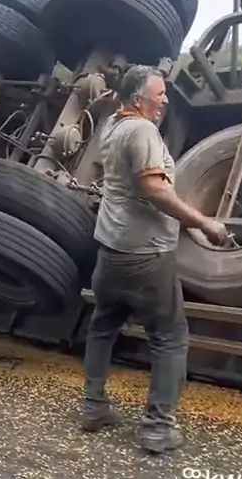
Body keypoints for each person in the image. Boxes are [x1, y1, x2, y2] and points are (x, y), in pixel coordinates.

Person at [81, 65, 228, 454]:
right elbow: (154, 189)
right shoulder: (142, 131)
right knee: (170, 338)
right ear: (137, 98)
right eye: (159, 94)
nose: (164, 100)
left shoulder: (112, 125)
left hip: (110, 251)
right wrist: (203, 222)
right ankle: (158, 428)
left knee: (102, 326)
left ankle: (93, 407)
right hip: (145, 255)